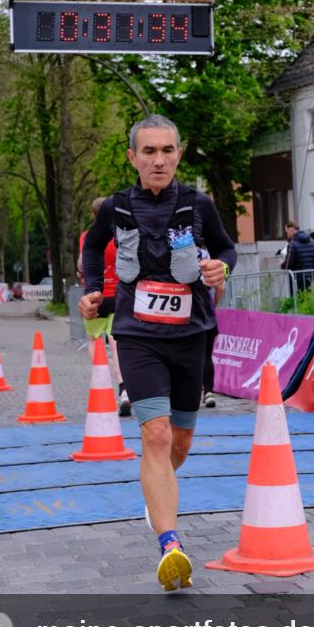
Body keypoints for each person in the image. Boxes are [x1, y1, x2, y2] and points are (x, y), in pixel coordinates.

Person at [79, 115, 237, 592]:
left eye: (167, 150)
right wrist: (92, 290)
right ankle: (170, 544)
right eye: (149, 151)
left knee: (179, 443)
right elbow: (93, 250)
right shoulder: (115, 207)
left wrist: (219, 267)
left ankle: (157, 492)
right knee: (156, 434)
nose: (159, 160)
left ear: (179, 154)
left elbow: (227, 249)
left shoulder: (198, 204)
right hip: (137, 335)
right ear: (132, 157)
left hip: (191, 336)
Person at [77, 198, 130, 416]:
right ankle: (124, 388)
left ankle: (102, 377)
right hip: (118, 295)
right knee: (116, 341)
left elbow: (82, 264)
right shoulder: (120, 234)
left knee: (92, 339)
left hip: (95, 295)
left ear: (93, 214)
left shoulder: (87, 236)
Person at [281, 221, 314, 290]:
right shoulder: (311, 242)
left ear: (291, 229)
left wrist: (282, 265)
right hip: (309, 276)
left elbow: (289, 264)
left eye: (287, 232)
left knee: (296, 295)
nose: (287, 234)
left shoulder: (292, 244)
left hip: (296, 278)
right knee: (306, 295)